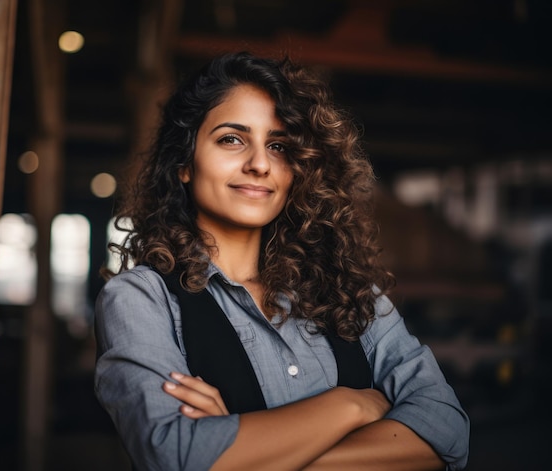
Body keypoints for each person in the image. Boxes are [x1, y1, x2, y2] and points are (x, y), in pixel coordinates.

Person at [94, 51, 470, 470]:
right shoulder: (141, 300)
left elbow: (447, 433)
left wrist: (246, 452)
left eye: (278, 145)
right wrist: (352, 406)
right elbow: (176, 456)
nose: (259, 164)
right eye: (231, 139)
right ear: (184, 162)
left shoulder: (350, 290)